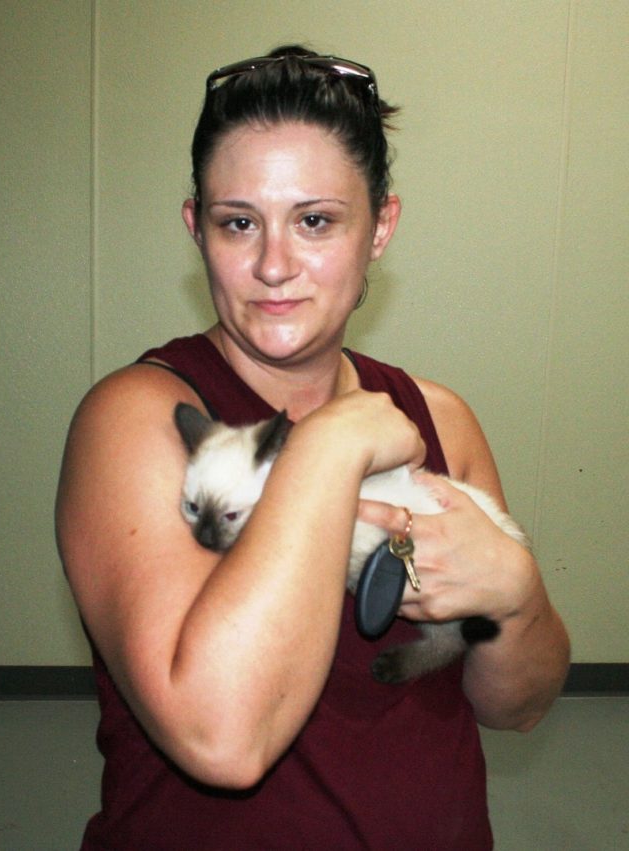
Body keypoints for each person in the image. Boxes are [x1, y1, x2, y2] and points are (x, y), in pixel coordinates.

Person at [55, 45, 569, 849]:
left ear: (381, 228)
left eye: (317, 220)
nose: (273, 265)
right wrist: (331, 441)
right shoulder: (140, 419)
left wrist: (517, 594)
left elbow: (518, 706)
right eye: (238, 223)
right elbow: (222, 738)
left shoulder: (440, 418)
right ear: (197, 229)